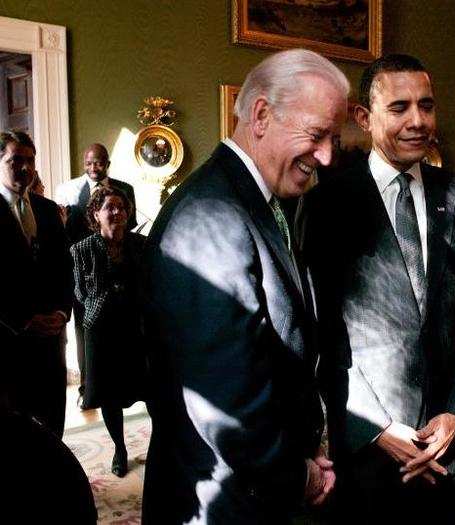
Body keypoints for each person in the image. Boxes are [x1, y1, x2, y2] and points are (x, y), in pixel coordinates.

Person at [141, 49, 349, 524]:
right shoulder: (211, 216)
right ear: (260, 115)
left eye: (333, 139)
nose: (327, 155)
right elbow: (227, 402)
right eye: (316, 135)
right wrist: (301, 477)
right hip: (221, 501)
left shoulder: (259, 200)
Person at [298, 54, 455, 524]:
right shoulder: (327, 204)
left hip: (446, 443)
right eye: (400, 107)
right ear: (364, 118)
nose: (418, 121)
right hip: (371, 448)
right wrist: (377, 428)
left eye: (426, 106)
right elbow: (321, 331)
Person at [70, 186, 147, 477]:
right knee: (110, 395)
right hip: (102, 329)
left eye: (121, 207)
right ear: (95, 214)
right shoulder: (81, 250)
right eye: (109, 207)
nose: (116, 212)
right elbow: (80, 293)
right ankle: (120, 448)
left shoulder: (141, 245)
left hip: (136, 326)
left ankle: (161, 446)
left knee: (150, 389)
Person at [0, 130, 72, 437]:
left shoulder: (47, 209)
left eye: (31, 160)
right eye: (16, 160)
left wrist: (61, 313)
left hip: (51, 341)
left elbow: (64, 269)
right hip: (7, 343)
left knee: (53, 422)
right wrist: (22, 321)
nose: (26, 168)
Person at [55, 143, 137, 406]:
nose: (94, 168)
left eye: (99, 163)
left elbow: (131, 225)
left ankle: (128, 384)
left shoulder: (125, 189)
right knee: (84, 330)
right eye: (89, 163)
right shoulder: (68, 190)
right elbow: (64, 234)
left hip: (120, 261)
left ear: (107, 163)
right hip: (84, 267)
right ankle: (87, 386)